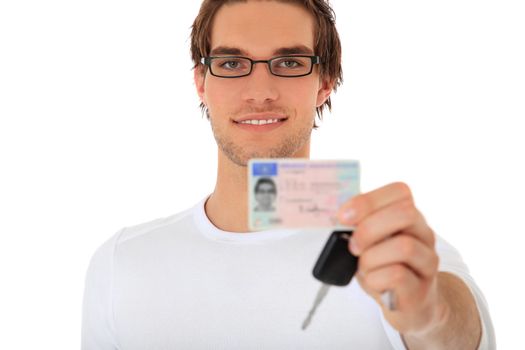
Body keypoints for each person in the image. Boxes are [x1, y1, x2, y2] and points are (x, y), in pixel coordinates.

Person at [81, 1, 496, 349]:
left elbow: (456, 334)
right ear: (201, 83)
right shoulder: (122, 262)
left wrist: (430, 312)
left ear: (325, 83)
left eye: (289, 62)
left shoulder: (394, 253)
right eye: (231, 62)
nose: (260, 91)